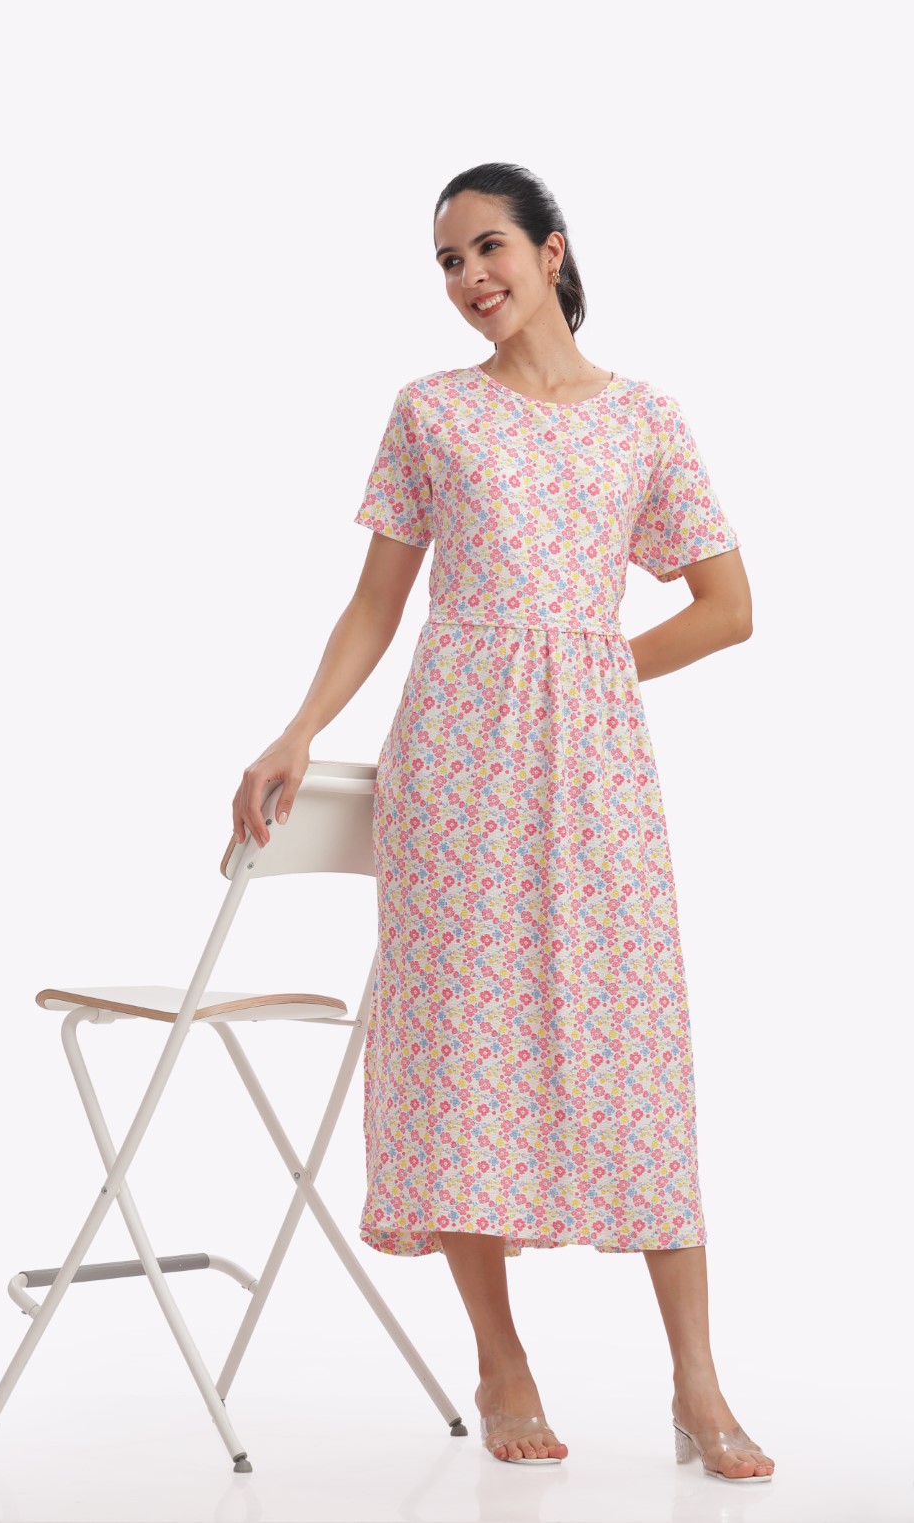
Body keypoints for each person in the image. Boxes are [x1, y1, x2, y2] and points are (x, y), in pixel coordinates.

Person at [229, 163, 774, 1482]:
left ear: (552, 251)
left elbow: (729, 607)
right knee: (459, 1045)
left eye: (489, 248)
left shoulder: (645, 419)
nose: (471, 277)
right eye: (448, 261)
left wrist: (593, 667)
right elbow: (376, 603)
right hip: (454, 762)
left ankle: (698, 1381)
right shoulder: (432, 411)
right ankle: (501, 1358)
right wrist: (299, 727)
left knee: (635, 1043)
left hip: (597, 768)